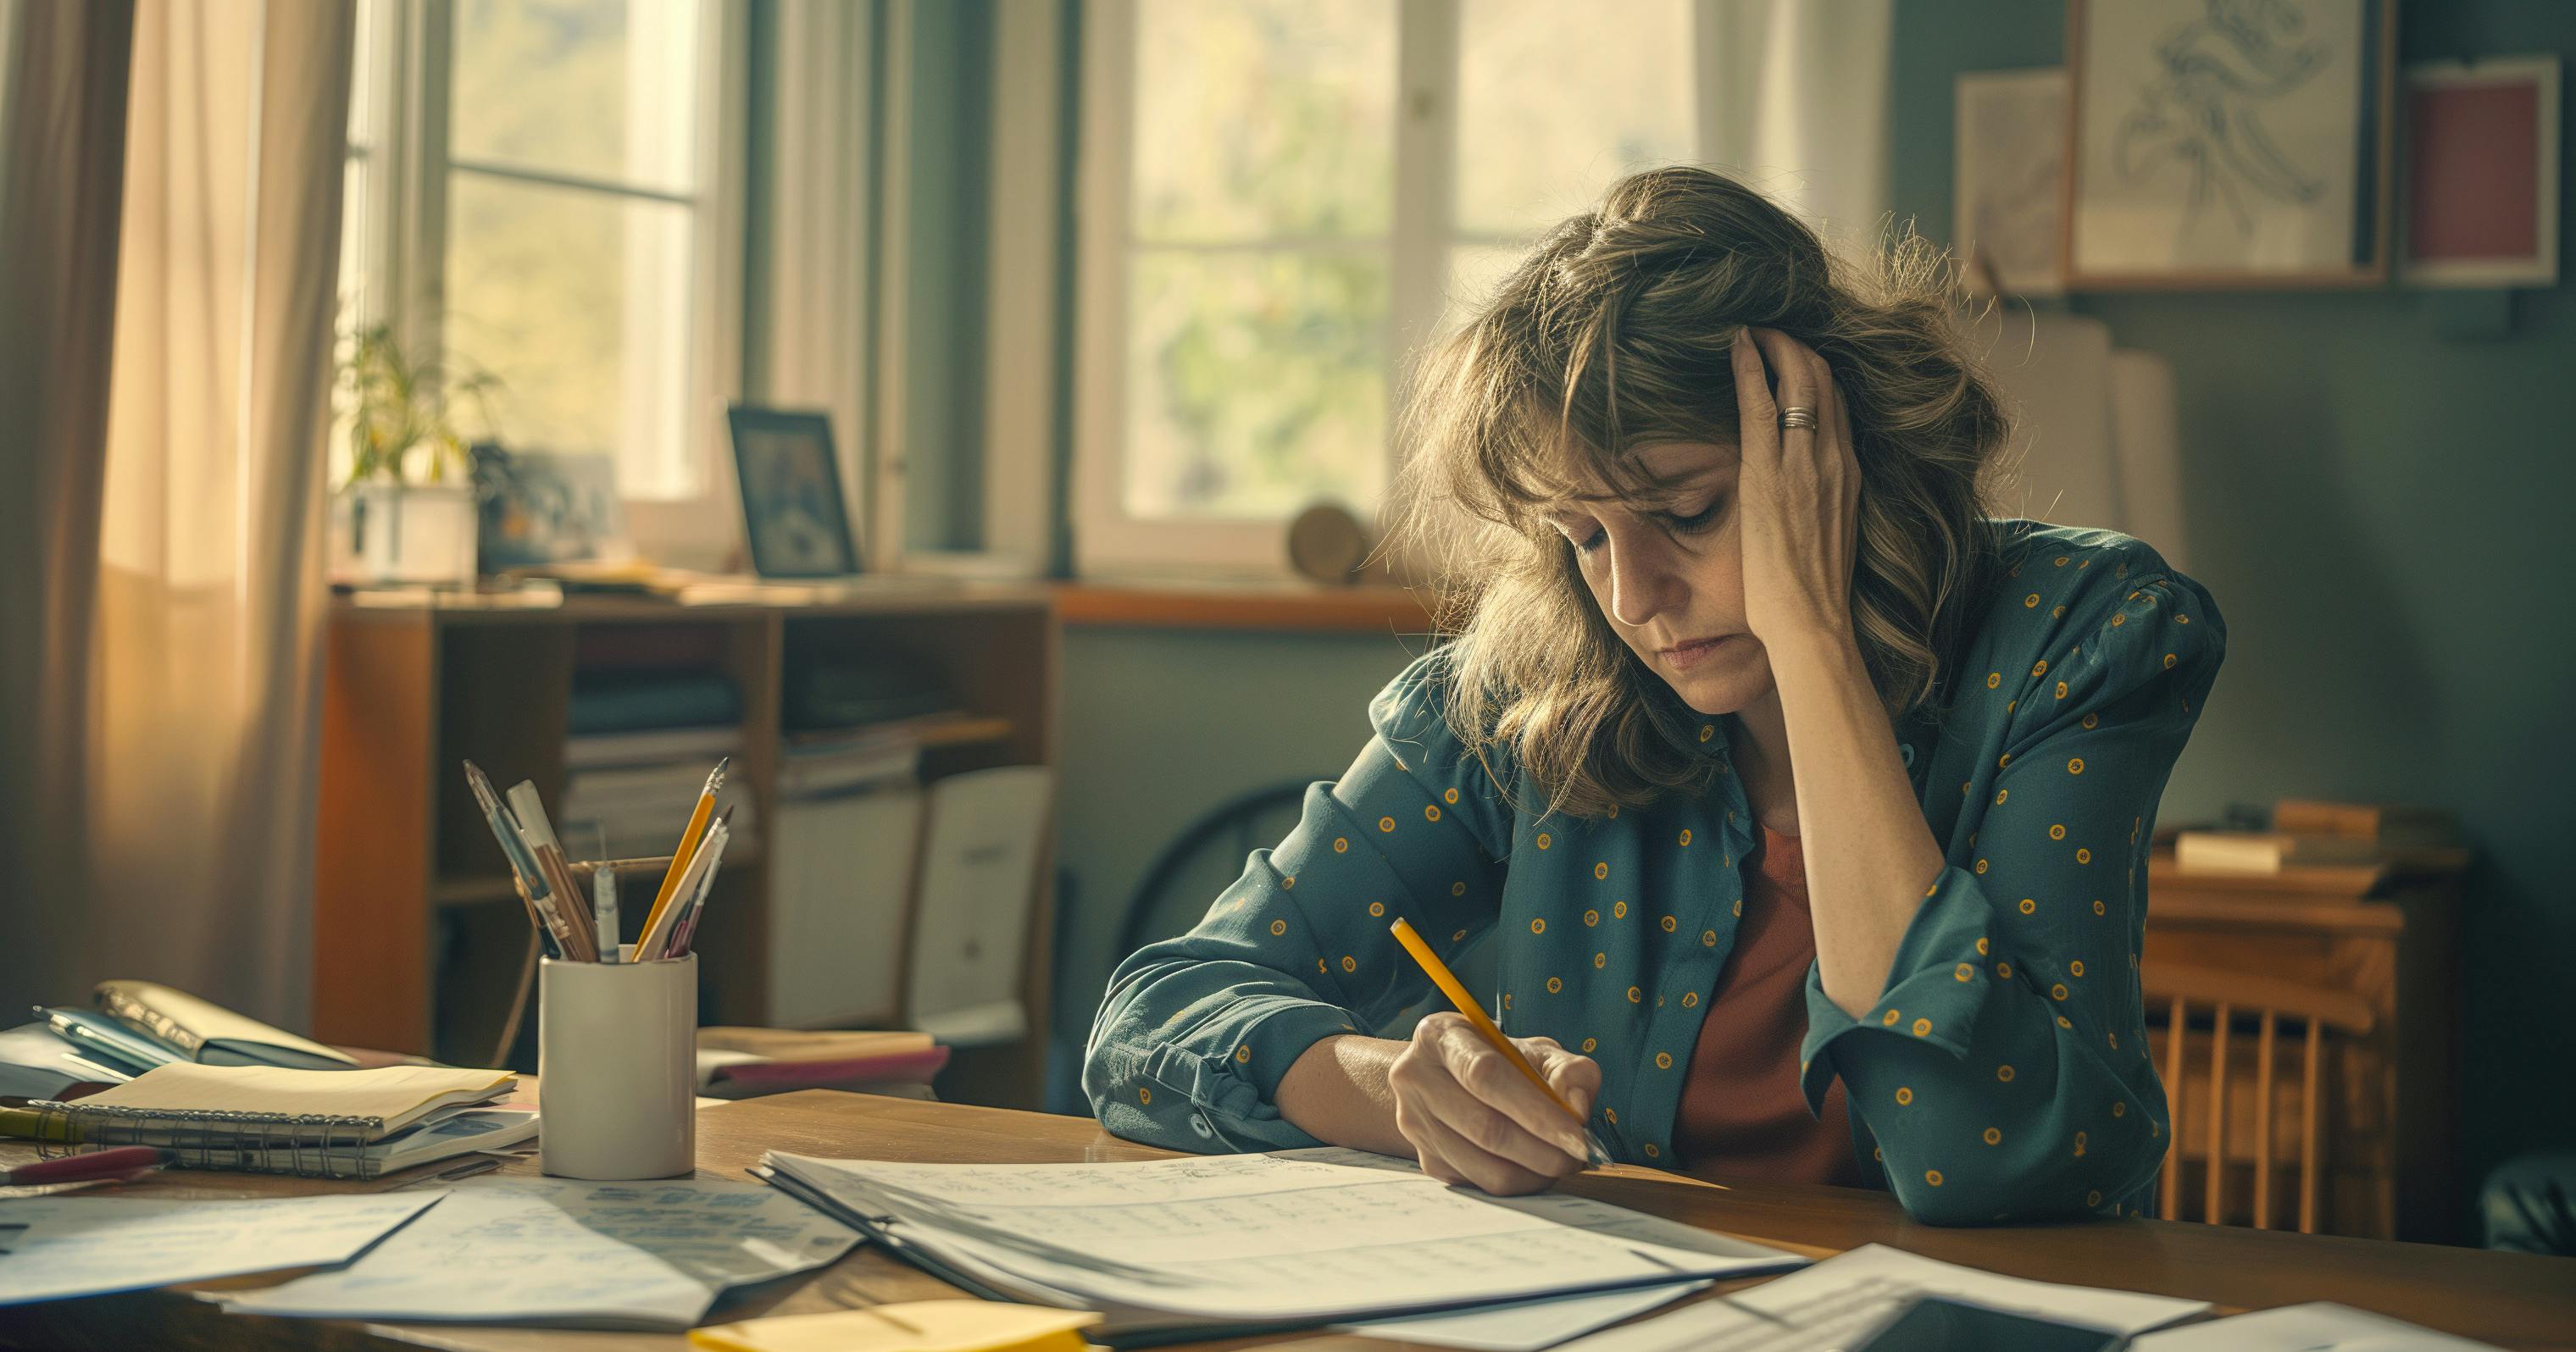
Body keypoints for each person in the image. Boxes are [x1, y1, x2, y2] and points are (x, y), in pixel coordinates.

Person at [1082, 165, 2225, 1225]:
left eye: (1688, 513)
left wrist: (1813, 640)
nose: (1633, 597)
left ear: (1837, 456)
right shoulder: (1521, 698)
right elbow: (1151, 1016)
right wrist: (1396, 1088)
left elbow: (1981, 1152)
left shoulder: (2077, 632)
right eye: (1581, 533)